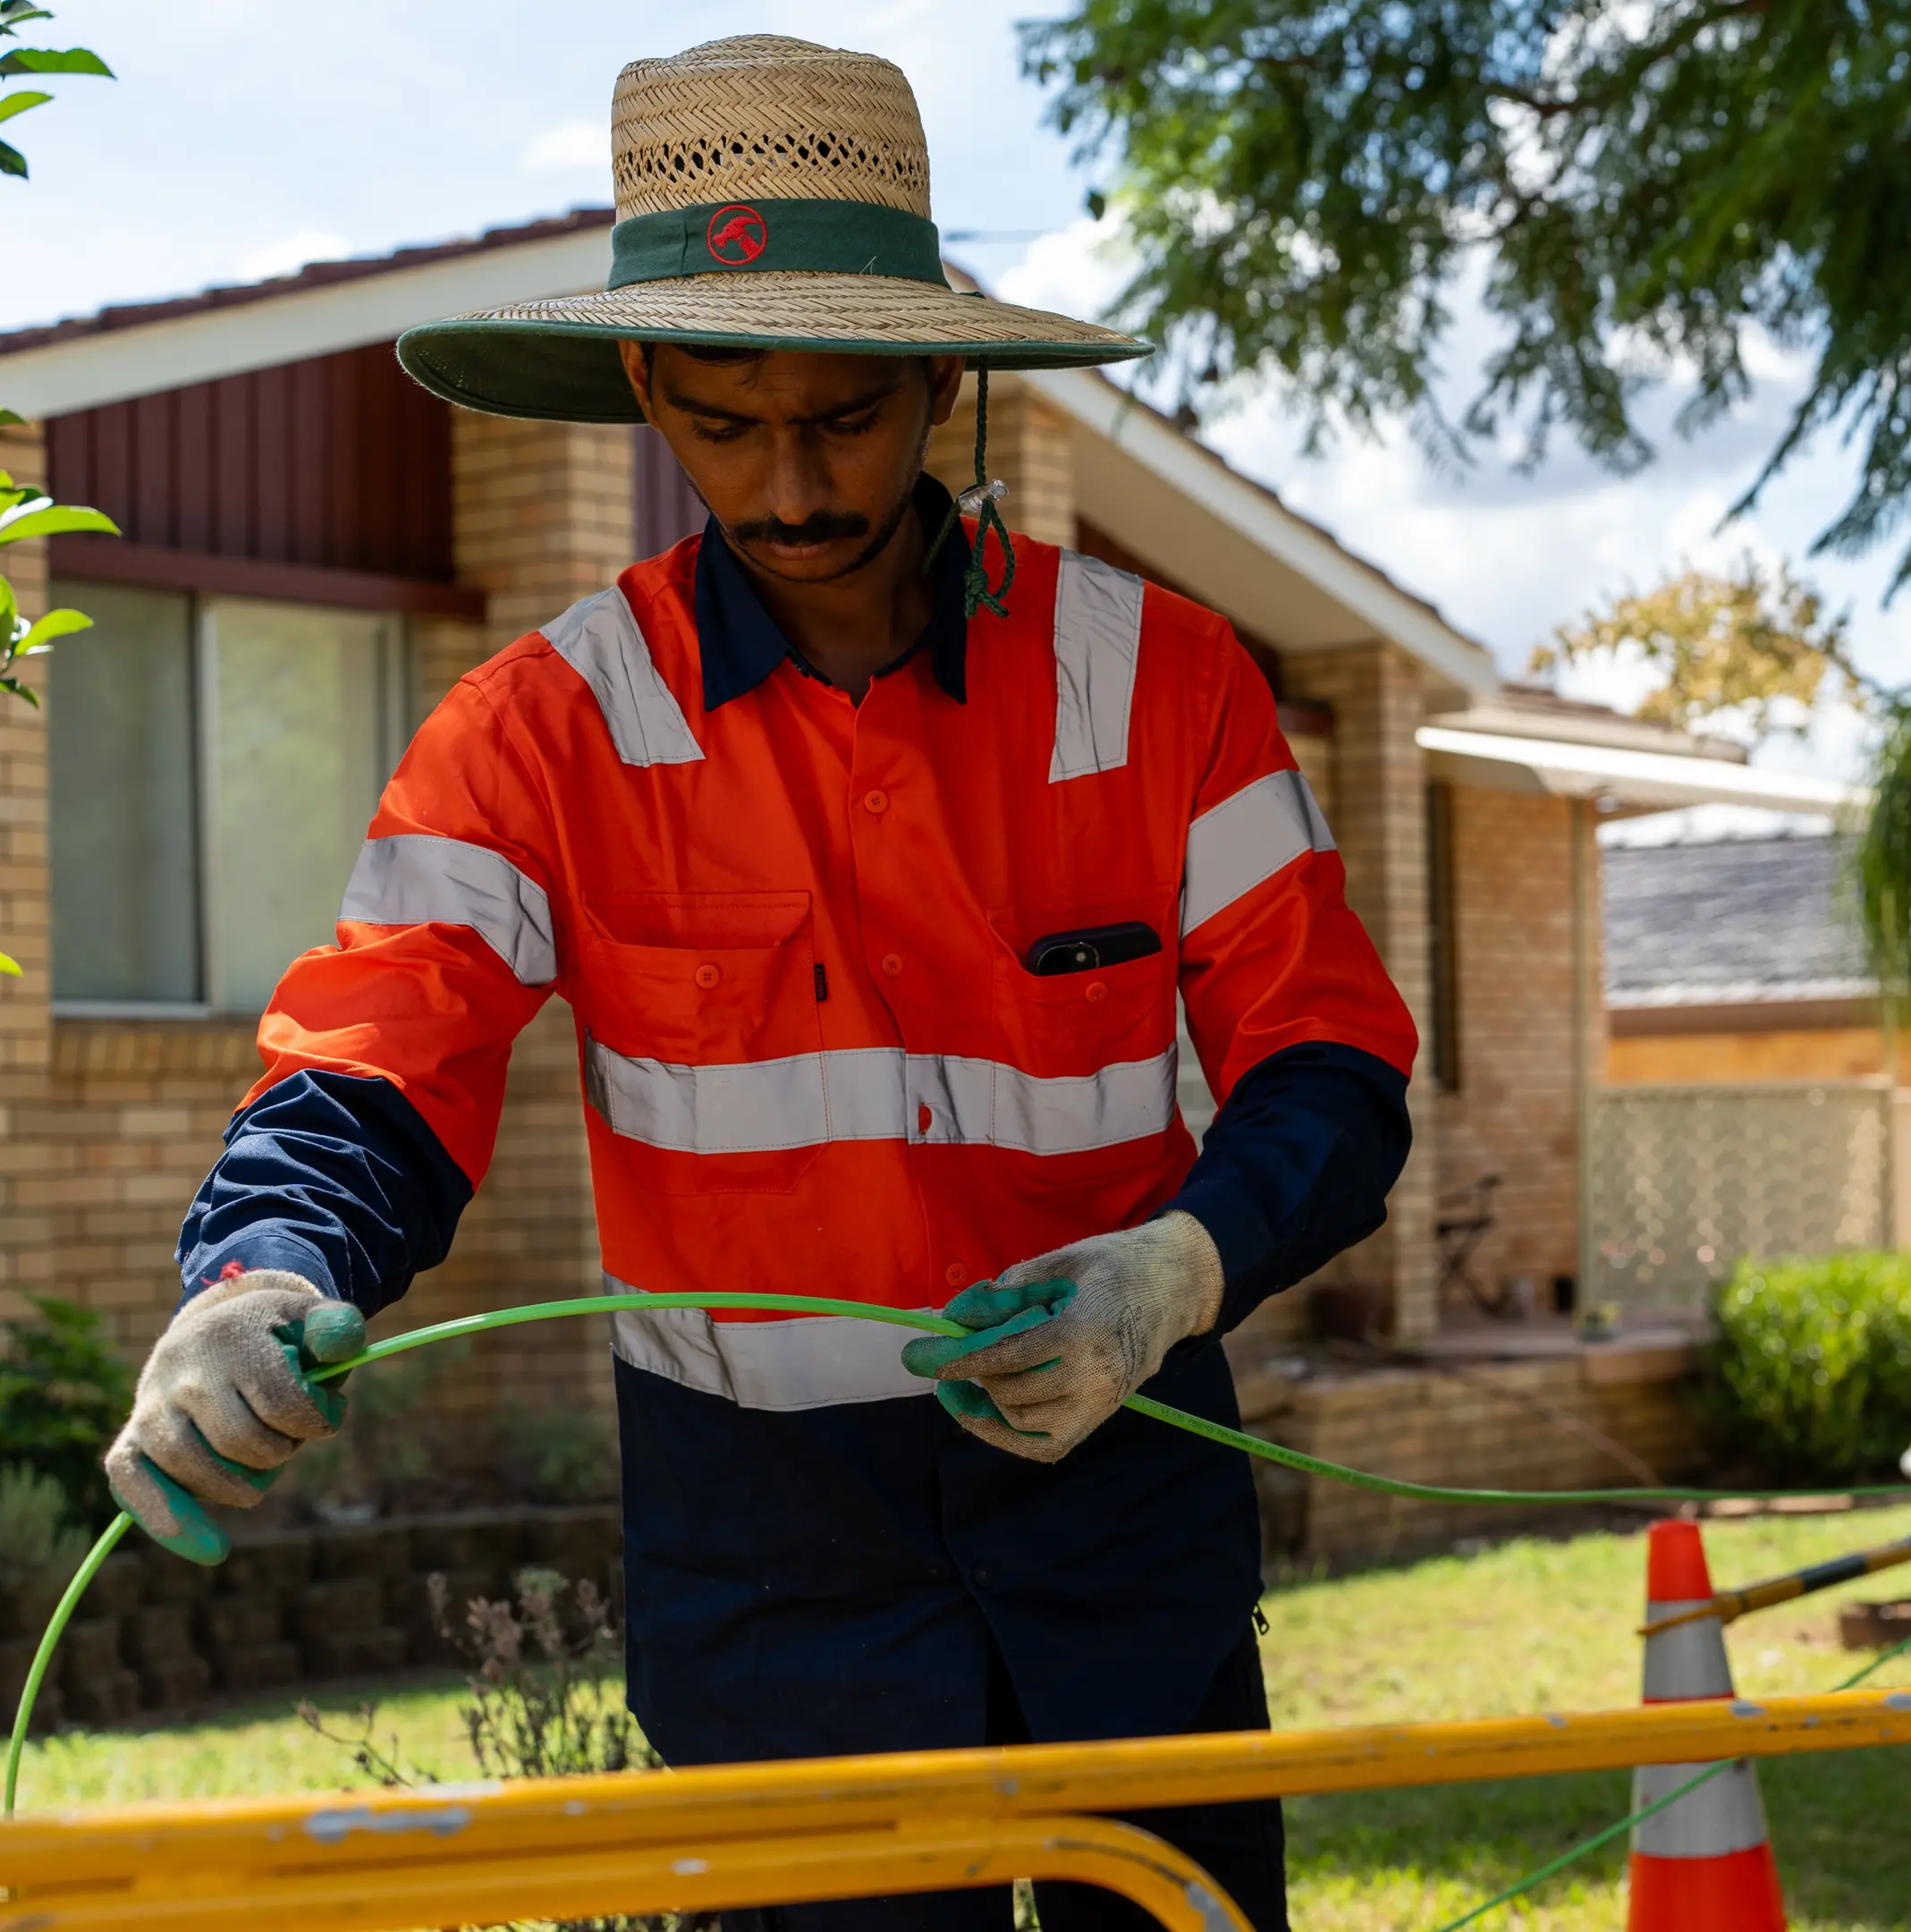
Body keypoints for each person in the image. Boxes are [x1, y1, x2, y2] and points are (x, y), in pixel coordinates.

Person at [97, 37, 1414, 1932]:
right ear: (645, 386)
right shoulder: (541, 728)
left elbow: (1330, 1063)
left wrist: (1176, 1272)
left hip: (1127, 1526)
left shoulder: (1167, 685)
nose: (790, 489)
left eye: (847, 421)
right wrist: (264, 1273)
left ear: (941, 376)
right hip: (775, 1586)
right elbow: (379, 1053)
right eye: (723, 424)